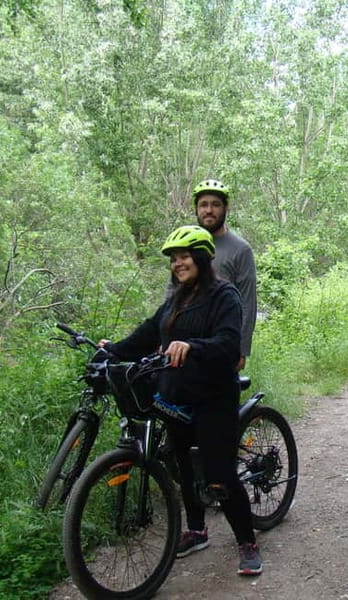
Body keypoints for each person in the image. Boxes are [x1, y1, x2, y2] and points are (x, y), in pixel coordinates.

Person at [99, 225, 263, 576]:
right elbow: (148, 332)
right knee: (185, 470)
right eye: (174, 259)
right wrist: (112, 349)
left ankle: (247, 541)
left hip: (214, 395)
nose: (178, 263)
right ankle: (197, 530)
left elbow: (228, 344)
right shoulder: (176, 299)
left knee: (219, 474)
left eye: (184, 256)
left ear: (202, 258)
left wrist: (192, 346)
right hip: (176, 394)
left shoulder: (224, 295)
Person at [192, 178, 257, 372]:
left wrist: (241, 349)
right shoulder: (187, 246)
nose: (209, 210)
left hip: (222, 340)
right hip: (187, 339)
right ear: (196, 209)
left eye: (215, 205)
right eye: (203, 205)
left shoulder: (241, 249)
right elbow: (172, 292)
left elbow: (247, 302)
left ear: (226, 208)